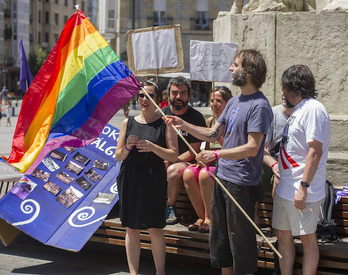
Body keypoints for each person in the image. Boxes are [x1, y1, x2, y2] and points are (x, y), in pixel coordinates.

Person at [165, 49, 273, 275]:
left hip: (240, 183)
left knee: (240, 241)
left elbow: (253, 147)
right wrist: (183, 125)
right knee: (221, 238)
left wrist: (217, 155)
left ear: (249, 70)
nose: (231, 69)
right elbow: (213, 134)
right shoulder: (234, 102)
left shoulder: (259, 105)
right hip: (223, 178)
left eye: (235, 65)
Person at [272, 65, 331, 275]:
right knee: (283, 237)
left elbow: (315, 151)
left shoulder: (314, 110)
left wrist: (303, 187)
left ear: (294, 88)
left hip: (302, 191)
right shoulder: (298, 110)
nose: (282, 92)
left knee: (307, 238)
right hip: (285, 190)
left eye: (284, 87)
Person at [115, 80, 178, 275]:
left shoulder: (165, 123)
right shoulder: (128, 122)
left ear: (158, 100)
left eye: (149, 95)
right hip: (130, 176)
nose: (144, 99)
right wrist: (127, 147)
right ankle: (134, 272)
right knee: (131, 229)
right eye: (141, 95)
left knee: (155, 229)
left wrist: (152, 147)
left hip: (153, 177)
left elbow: (173, 155)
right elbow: (118, 156)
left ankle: (160, 272)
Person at [183, 86, 232, 233]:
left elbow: (229, 147)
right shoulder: (210, 120)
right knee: (188, 173)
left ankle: (209, 218)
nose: (214, 104)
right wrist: (201, 156)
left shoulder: (230, 121)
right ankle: (200, 216)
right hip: (211, 162)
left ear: (227, 103)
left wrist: (216, 133)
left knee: (205, 174)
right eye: (212, 101)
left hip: (226, 164)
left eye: (219, 101)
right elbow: (208, 146)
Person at [162, 76, 206, 224]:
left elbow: (193, 150)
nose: (178, 97)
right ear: (168, 94)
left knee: (173, 171)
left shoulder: (196, 117)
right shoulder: (159, 115)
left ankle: (169, 207)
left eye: (183, 93)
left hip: (186, 162)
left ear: (189, 95)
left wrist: (172, 160)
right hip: (164, 159)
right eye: (175, 93)